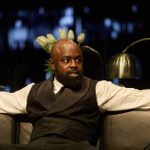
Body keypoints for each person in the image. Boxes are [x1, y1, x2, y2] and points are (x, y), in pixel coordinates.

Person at [1, 38, 150, 150]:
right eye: (66, 60)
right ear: (53, 64)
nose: (74, 65)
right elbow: (4, 100)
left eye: (78, 60)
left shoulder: (98, 89)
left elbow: (138, 97)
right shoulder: (32, 91)